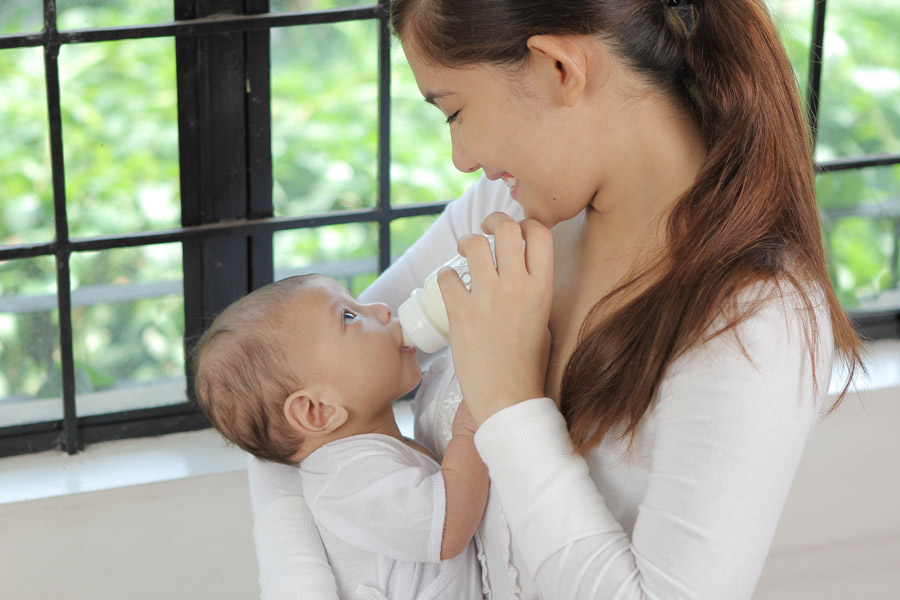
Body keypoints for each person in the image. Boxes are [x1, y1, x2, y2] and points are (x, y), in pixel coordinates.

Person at [248, 0, 866, 598]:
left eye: (454, 111)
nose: (461, 159)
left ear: (558, 69)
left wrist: (510, 403)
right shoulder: (504, 213)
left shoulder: (753, 320)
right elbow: (278, 391)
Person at [193, 274, 487, 600]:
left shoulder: (361, 457)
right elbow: (447, 527)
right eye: (349, 316)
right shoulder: (345, 482)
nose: (381, 308)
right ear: (317, 411)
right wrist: (471, 427)